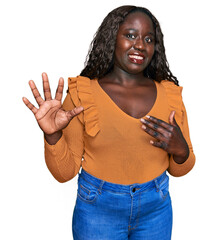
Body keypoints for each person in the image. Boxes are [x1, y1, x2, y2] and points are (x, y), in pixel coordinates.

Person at [23, 5, 195, 240]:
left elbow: (180, 169)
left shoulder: (170, 95)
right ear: (112, 37)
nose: (140, 45)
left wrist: (181, 150)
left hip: (156, 209)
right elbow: (65, 173)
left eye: (148, 39)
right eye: (130, 35)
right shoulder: (83, 94)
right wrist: (52, 135)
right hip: (98, 210)